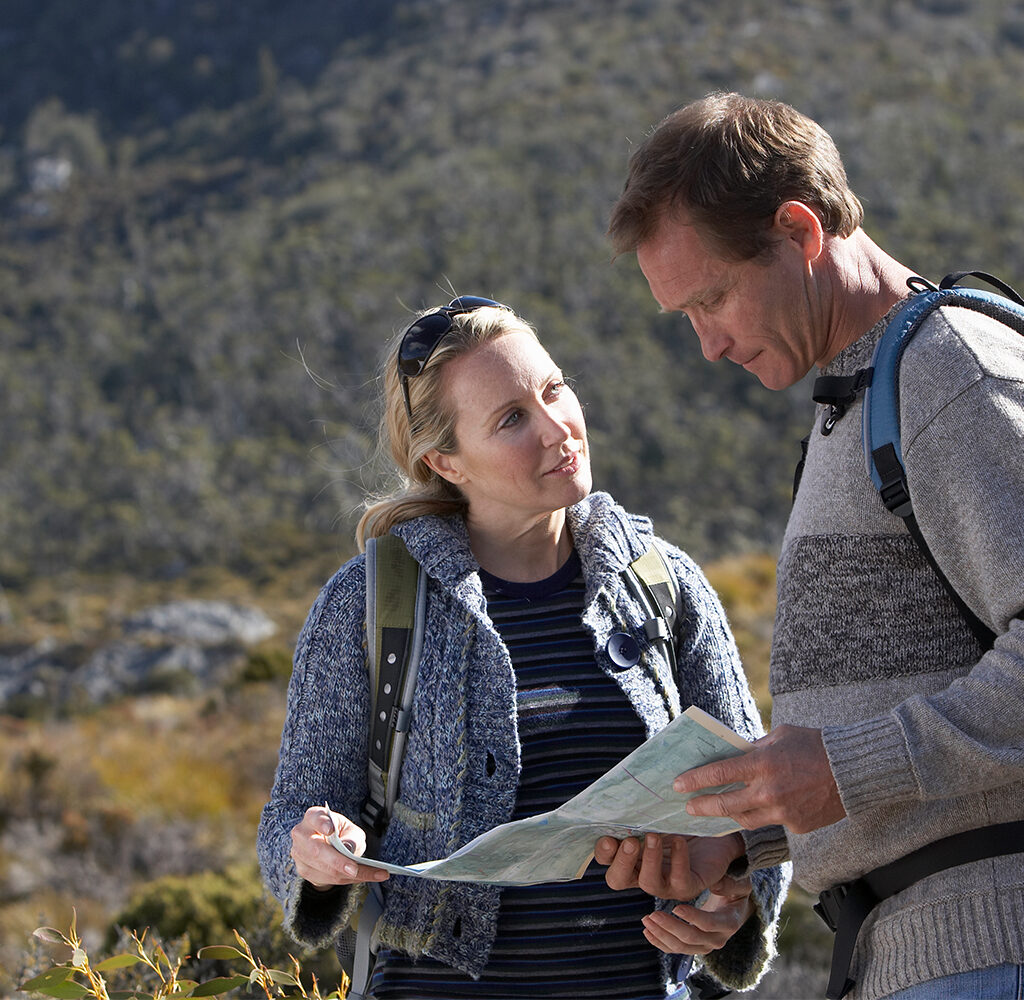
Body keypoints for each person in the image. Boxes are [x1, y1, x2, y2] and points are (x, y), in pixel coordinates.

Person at [598, 91, 1024, 1000]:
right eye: (685, 317)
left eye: (712, 297)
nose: (708, 345)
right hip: (914, 958)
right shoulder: (855, 407)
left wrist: (841, 770)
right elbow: (897, 710)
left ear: (799, 230)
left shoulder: (948, 370)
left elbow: (865, 762)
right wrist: (744, 848)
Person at [257, 295, 787, 999]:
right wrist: (316, 851)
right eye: (511, 419)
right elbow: (290, 823)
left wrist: (730, 893)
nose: (555, 428)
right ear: (446, 460)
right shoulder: (369, 604)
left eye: (554, 390)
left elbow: (760, 802)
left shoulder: (665, 582)